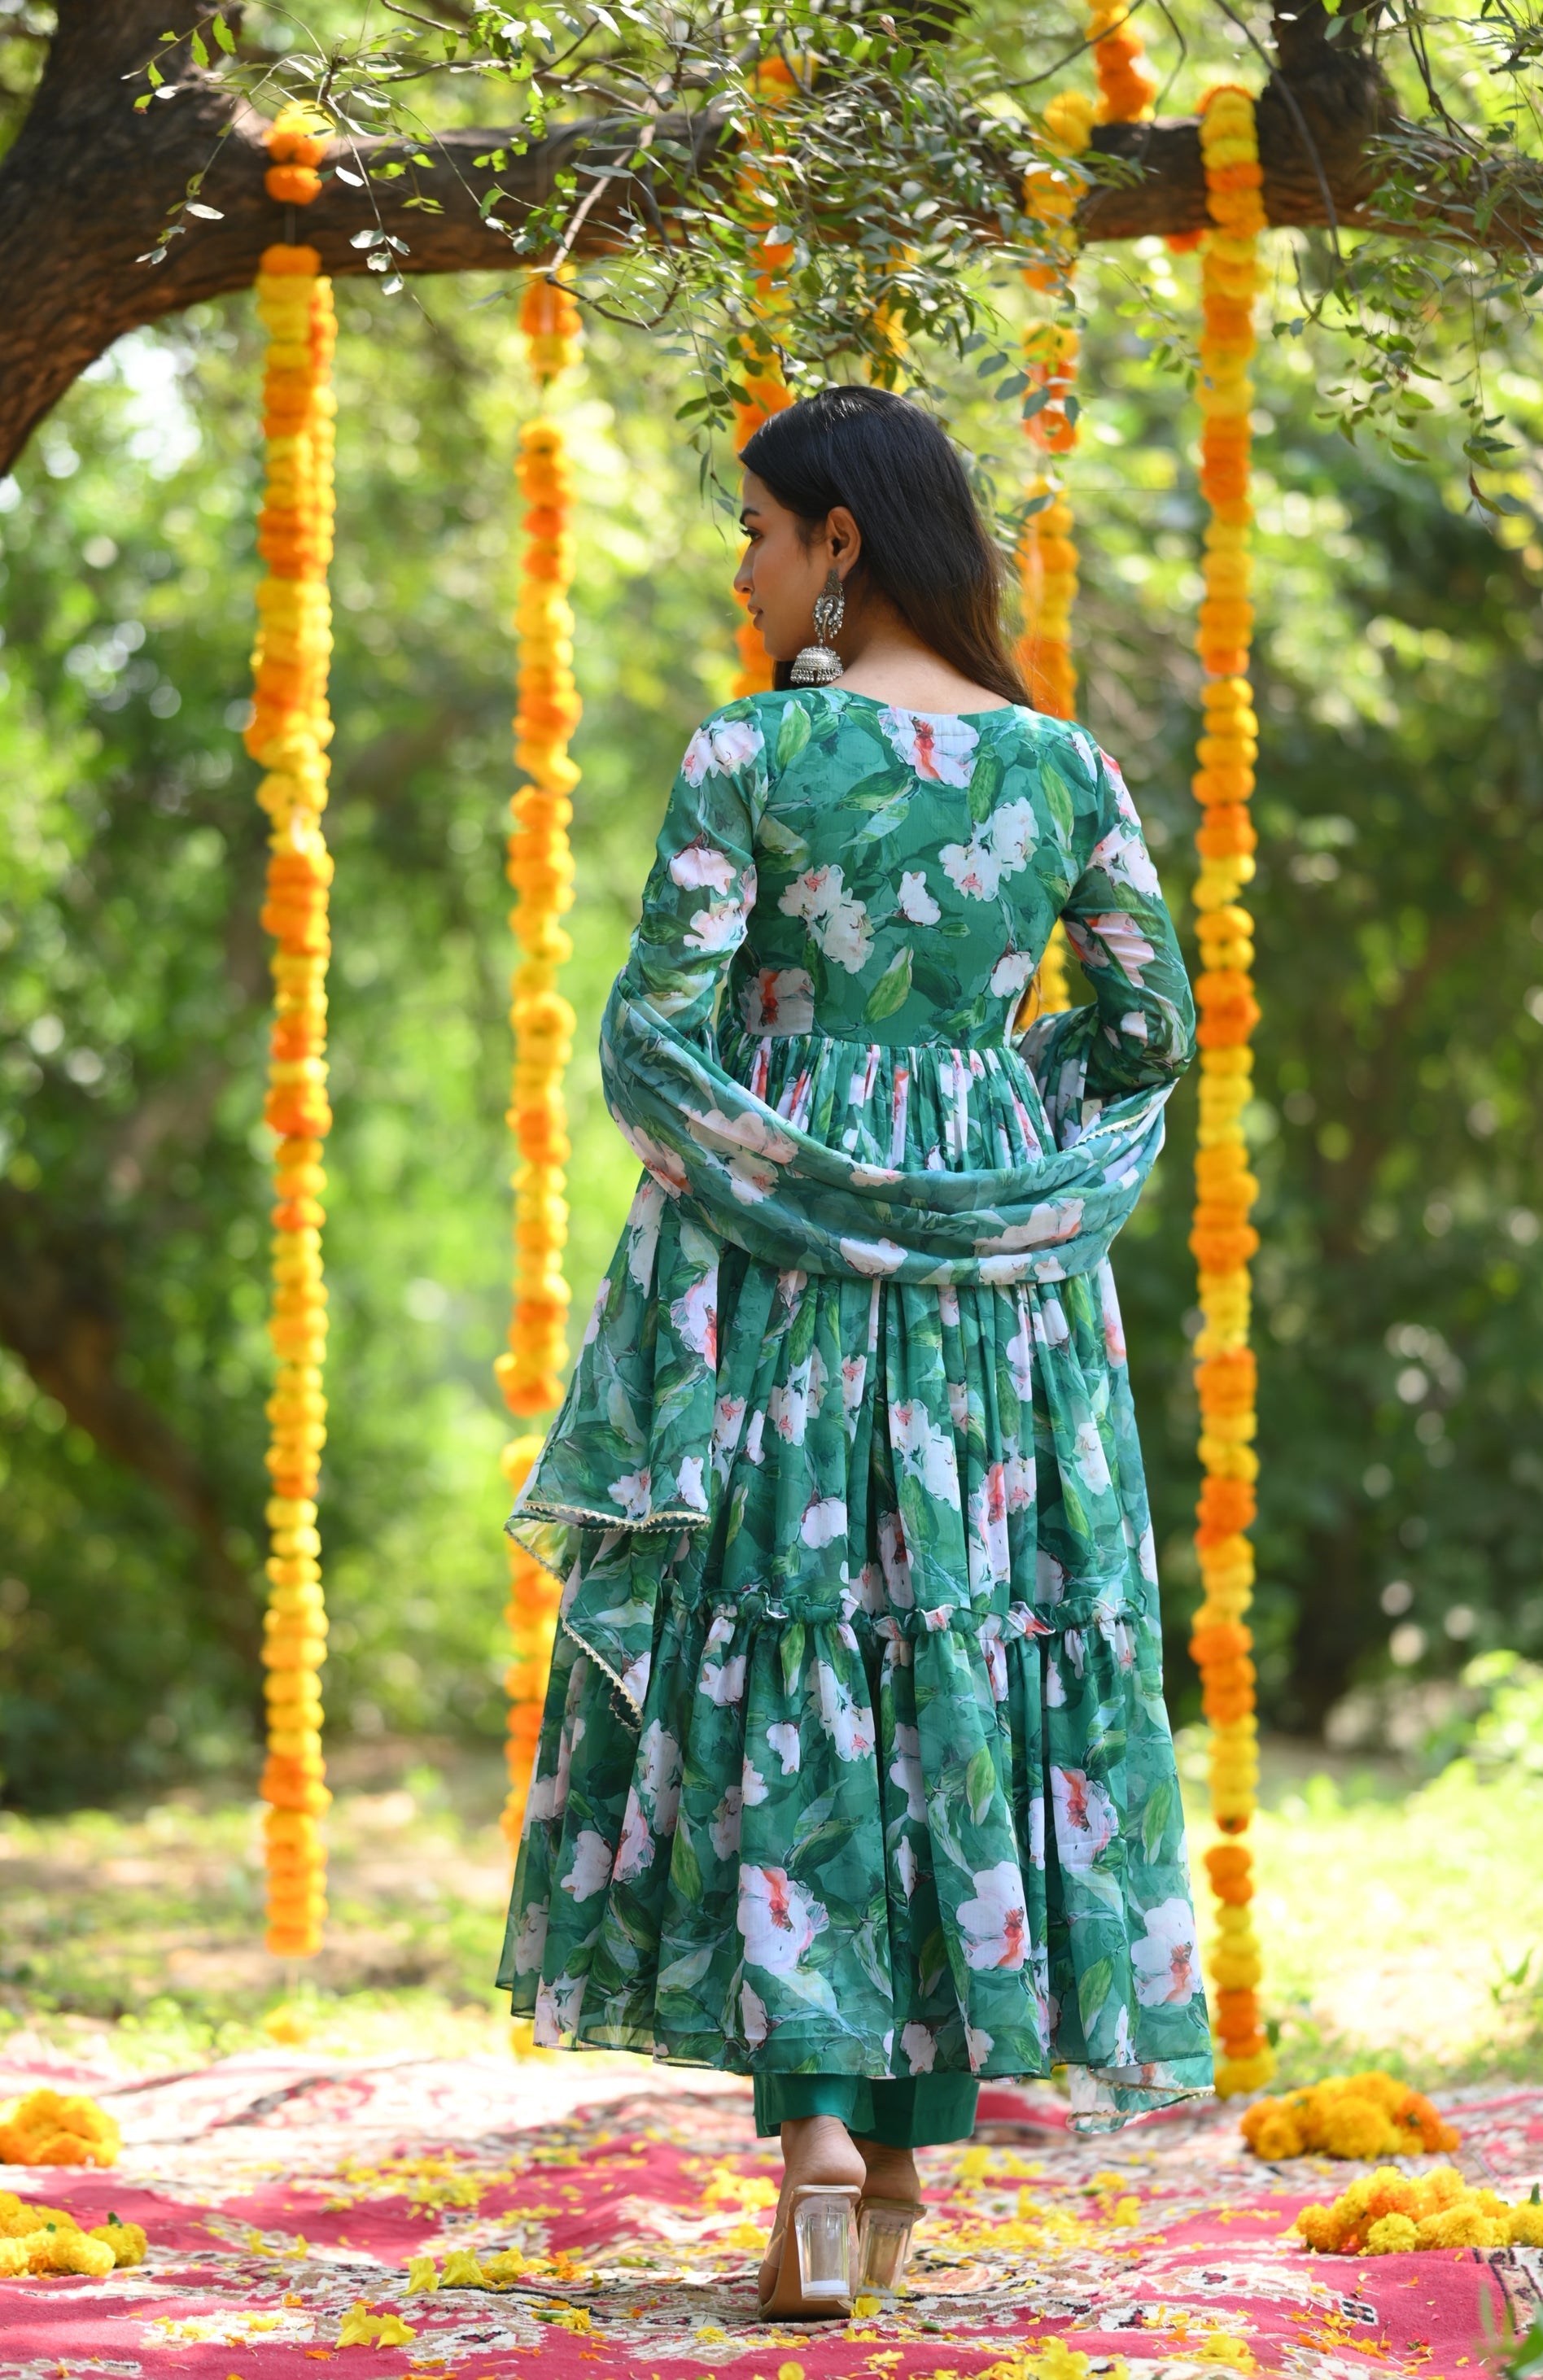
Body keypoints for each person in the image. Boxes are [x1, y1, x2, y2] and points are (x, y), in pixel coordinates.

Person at [496, 385, 1213, 2317]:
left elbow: (658, 1030)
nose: (737, 570)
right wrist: (995, 1116)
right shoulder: (1067, 771)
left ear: (839, 541)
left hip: (790, 1291)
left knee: (806, 1650)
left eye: (753, 530)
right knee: (964, 1642)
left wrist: (792, 1145)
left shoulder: (751, 752)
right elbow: (1150, 1034)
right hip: (1001, 1310)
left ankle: (815, 2142)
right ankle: (901, 2153)